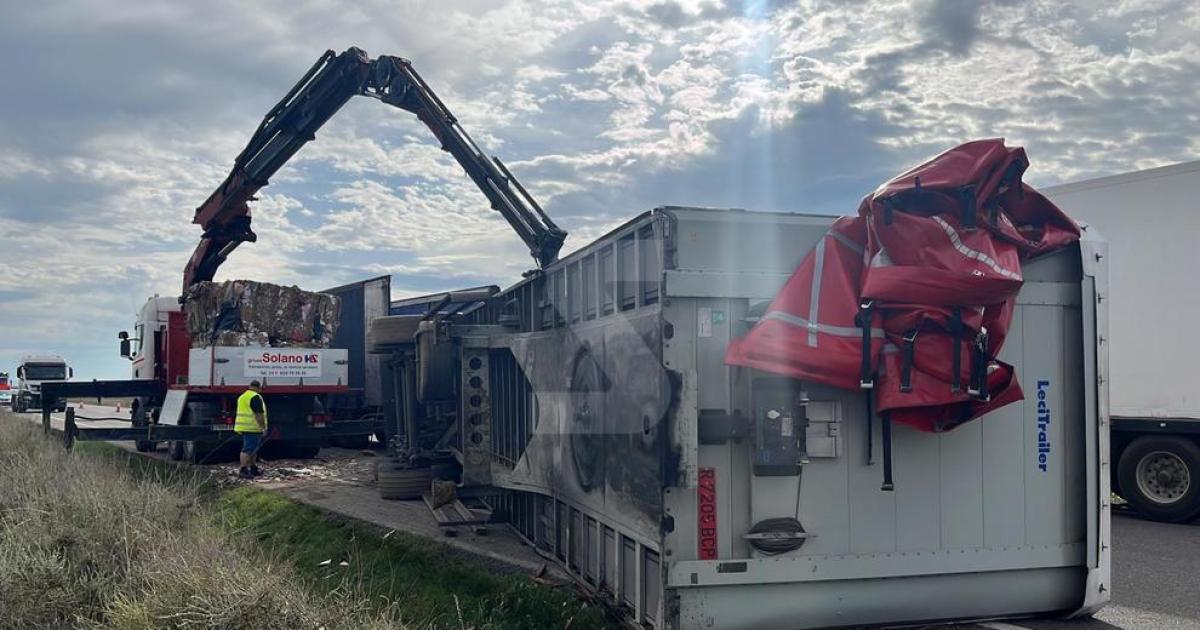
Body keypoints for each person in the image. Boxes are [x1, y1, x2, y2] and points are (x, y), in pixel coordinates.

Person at [235, 380, 268, 479]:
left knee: (253, 449)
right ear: (258, 387)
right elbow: (259, 414)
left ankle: (253, 468)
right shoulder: (255, 397)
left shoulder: (243, 396)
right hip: (252, 427)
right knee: (248, 449)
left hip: (245, 426)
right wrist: (263, 427)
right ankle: (243, 470)